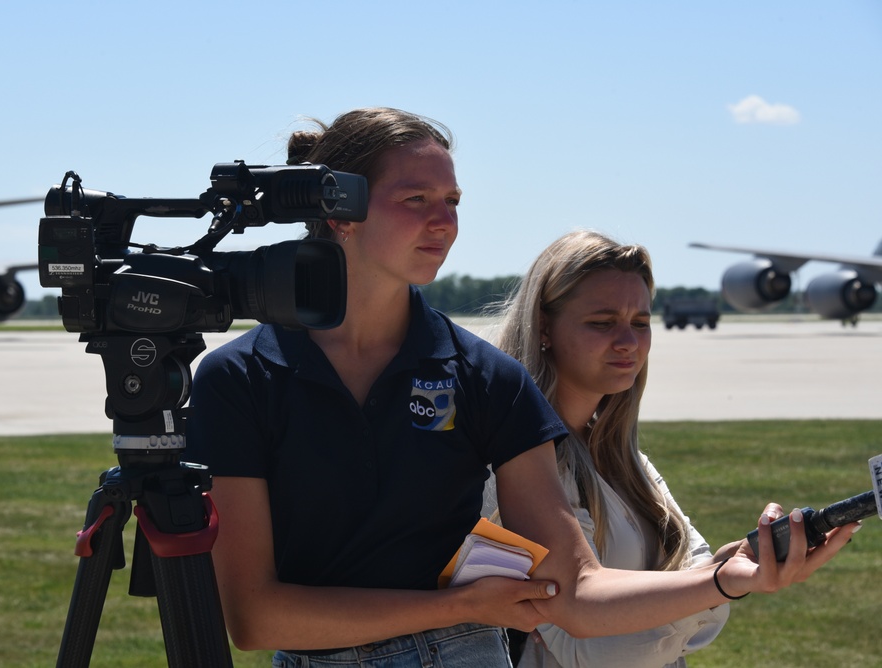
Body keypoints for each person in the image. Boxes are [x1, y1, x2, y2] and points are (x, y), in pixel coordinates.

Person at [183, 108, 858, 668]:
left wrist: (725, 579)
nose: (443, 222)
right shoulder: (241, 379)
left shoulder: (486, 379)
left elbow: (576, 591)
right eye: (415, 200)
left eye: (451, 201)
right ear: (339, 212)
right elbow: (255, 614)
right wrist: (458, 608)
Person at [490, 229, 744, 667]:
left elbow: (703, 600)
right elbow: (590, 648)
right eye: (603, 323)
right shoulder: (515, 463)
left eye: (641, 323)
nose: (628, 342)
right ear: (544, 328)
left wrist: (735, 568)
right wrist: (713, 587)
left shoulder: (625, 460)